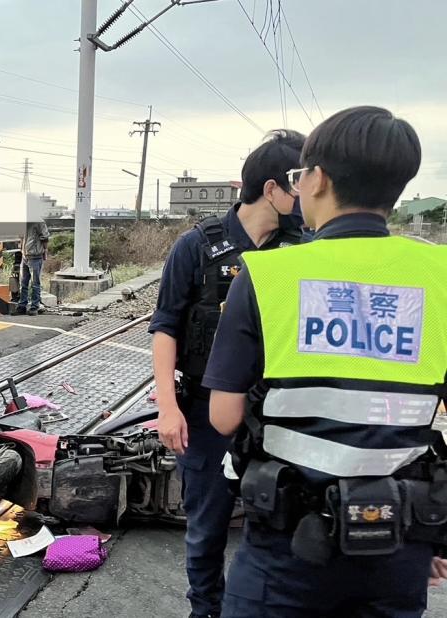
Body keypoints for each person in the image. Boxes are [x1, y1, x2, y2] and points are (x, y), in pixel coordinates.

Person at [205, 106, 447, 617]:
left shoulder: (271, 275)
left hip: (288, 547)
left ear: (316, 179)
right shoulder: (439, 275)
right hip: (396, 540)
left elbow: (225, 416)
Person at [149, 129, 306, 618]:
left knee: (282, 521)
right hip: (202, 409)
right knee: (206, 526)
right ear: (272, 189)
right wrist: (168, 408)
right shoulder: (196, 247)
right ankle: (206, 610)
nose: (309, 195)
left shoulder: (303, 249)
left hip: (279, 413)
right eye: (300, 182)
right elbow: (165, 328)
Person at [16, 219, 50, 316]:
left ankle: (34, 306)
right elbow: (21, 237)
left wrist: (45, 251)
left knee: (35, 283)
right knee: (23, 283)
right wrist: (21, 250)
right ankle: (22, 306)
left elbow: (45, 237)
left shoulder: (39, 222)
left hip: (35, 256)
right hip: (25, 256)